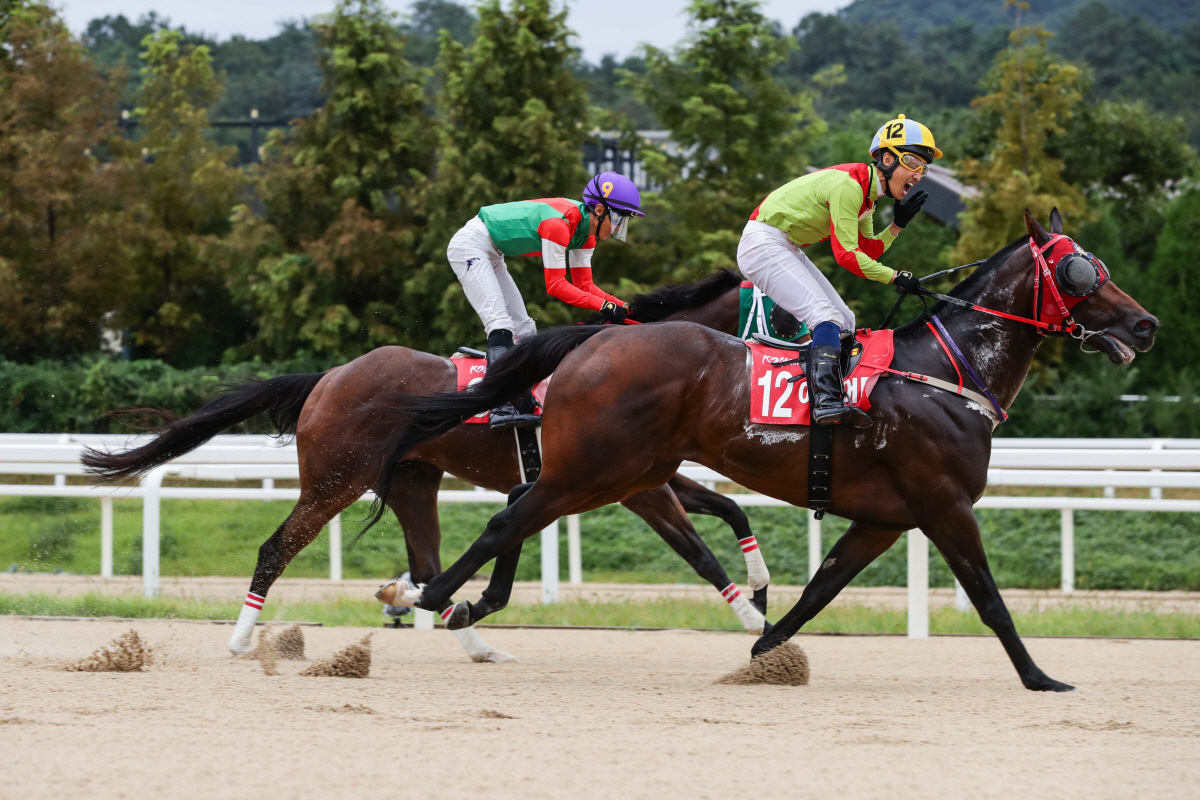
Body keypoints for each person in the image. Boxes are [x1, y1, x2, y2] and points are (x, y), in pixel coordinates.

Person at [736, 114, 940, 426]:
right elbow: (846, 255)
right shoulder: (850, 185)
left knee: (845, 320)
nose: (918, 173)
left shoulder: (868, 200)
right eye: (912, 162)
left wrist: (897, 226)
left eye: (923, 167)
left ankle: (836, 393)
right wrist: (894, 276)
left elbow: (867, 250)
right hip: (763, 242)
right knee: (825, 317)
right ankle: (824, 400)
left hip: (783, 244)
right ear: (887, 159)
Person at [447, 173, 645, 428]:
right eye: (618, 219)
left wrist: (624, 307)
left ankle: (520, 398)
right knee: (500, 324)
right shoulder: (559, 224)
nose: (618, 228)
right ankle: (499, 406)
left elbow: (585, 286)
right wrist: (606, 306)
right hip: (470, 246)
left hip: (493, 252)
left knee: (525, 329)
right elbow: (556, 286)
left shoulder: (587, 235)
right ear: (599, 209)